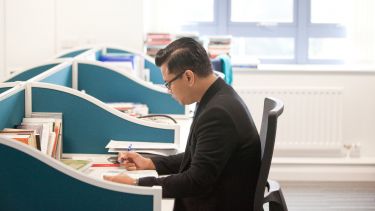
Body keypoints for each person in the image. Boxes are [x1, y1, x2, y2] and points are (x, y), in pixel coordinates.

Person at [104, 37, 261, 211]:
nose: (168, 91)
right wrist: (150, 163)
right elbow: (196, 157)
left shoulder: (218, 113)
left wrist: (137, 183)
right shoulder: (218, 96)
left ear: (188, 77)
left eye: (168, 83)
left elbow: (196, 181)